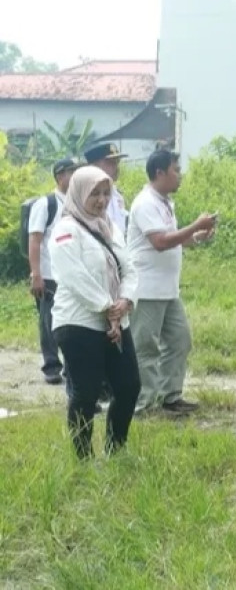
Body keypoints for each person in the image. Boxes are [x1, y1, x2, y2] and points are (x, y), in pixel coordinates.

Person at [50, 165, 141, 458]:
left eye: (106, 193)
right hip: (79, 323)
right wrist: (107, 307)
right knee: (86, 394)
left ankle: (117, 450)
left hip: (117, 321)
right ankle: (83, 458)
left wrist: (125, 300)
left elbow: (129, 268)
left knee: (129, 386)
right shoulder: (66, 230)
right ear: (78, 194)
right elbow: (73, 276)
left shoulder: (109, 227)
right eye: (94, 194)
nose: (101, 201)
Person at [126, 149, 217, 415]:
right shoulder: (145, 203)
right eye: (176, 169)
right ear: (160, 173)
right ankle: (144, 403)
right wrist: (195, 224)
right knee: (146, 347)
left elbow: (176, 239)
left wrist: (199, 235)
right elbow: (161, 241)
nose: (180, 175)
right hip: (146, 289)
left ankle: (169, 396)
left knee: (179, 341)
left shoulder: (164, 203)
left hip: (167, 289)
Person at [27, 157, 77, 384]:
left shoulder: (78, 202)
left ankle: (71, 365)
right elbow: (35, 239)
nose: (75, 175)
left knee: (71, 321)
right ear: (59, 177)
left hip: (70, 273)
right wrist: (36, 274)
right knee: (48, 321)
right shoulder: (46, 204)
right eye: (70, 172)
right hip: (48, 274)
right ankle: (51, 366)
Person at [84, 143, 130, 233]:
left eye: (117, 162)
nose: (116, 167)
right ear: (94, 166)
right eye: (111, 163)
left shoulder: (117, 194)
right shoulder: (84, 196)